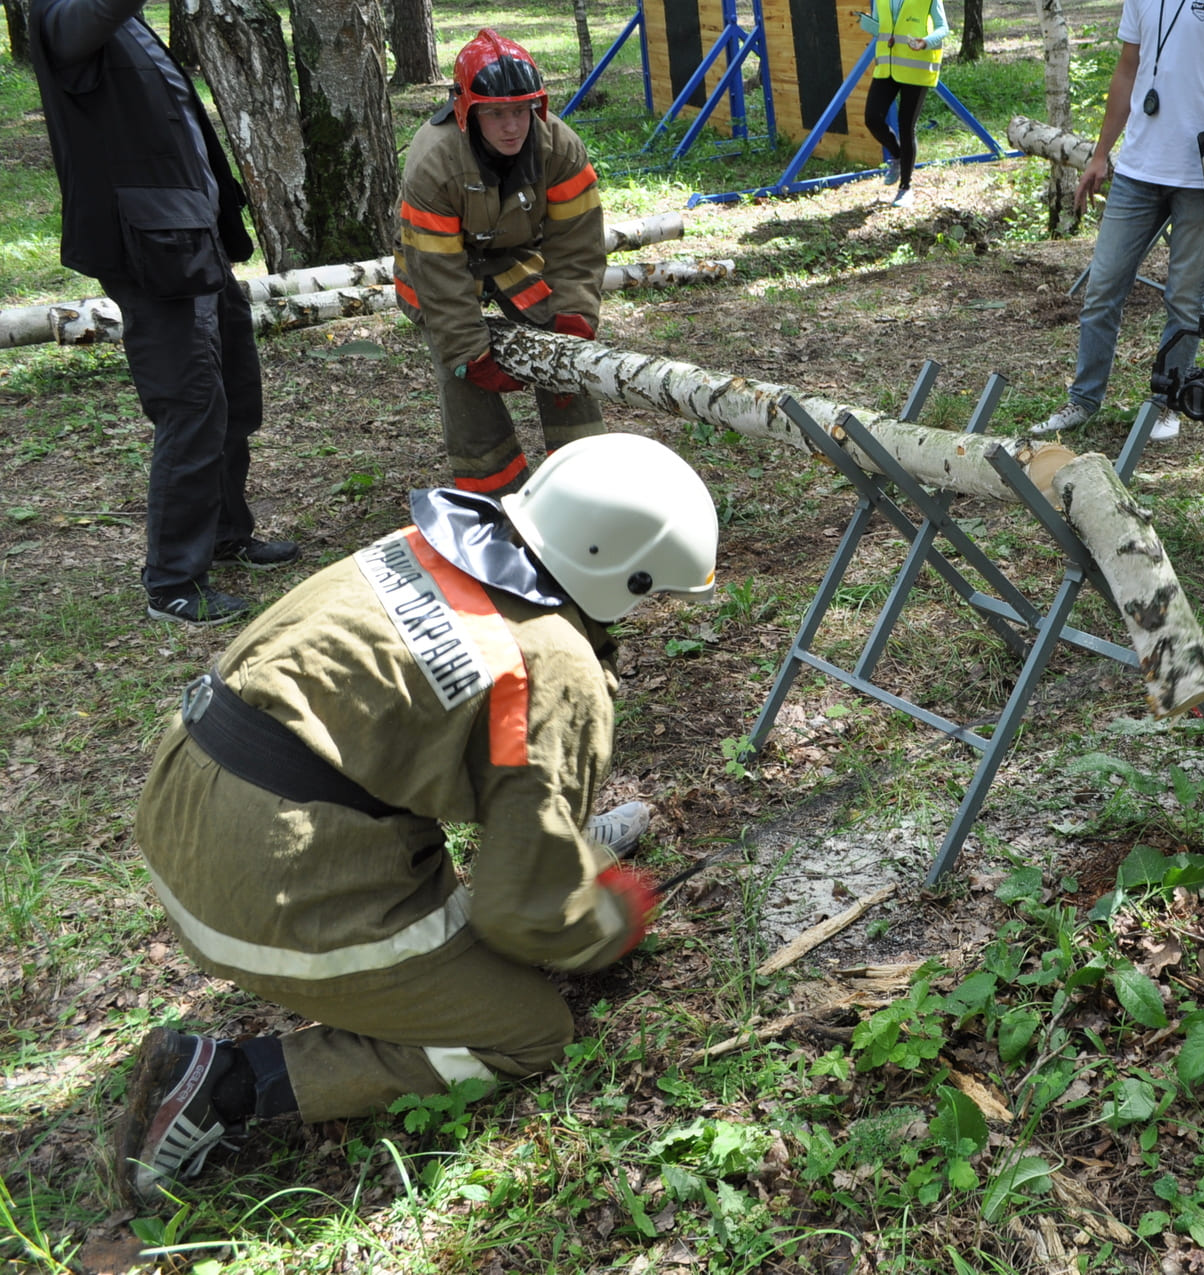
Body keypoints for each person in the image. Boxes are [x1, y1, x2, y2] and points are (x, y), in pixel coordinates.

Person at [119, 433, 718, 1201]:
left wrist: (558, 842)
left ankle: (548, 859)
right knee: (528, 1030)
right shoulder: (554, 662)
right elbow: (518, 914)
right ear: (624, 574)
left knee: (514, 869)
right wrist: (603, 920)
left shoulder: (428, 545)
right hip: (266, 889)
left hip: (184, 813)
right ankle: (227, 1086)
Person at [29, 0, 300, 627]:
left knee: (233, 391)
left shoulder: (127, 28)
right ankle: (174, 581)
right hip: (149, 251)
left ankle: (226, 534)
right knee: (191, 405)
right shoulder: (61, 21)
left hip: (190, 238)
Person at [1034, 0, 1204, 444]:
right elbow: (1128, 67)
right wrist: (1100, 154)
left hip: (1203, 177)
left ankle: (1165, 402)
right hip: (1137, 170)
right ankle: (1084, 399)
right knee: (1102, 290)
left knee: (1185, 302)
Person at [395, 29, 609, 497]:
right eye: (495, 114)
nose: (511, 127)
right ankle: (495, 498)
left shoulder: (560, 148)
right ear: (466, 111)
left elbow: (578, 246)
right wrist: (472, 356)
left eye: (520, 112)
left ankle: (586, 484)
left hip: (513, 258)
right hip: (437, 268)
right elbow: (439, 276)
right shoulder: (433, 164)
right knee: (462, 376)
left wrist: (574, 318)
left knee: (565, 349)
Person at [856, 0, 949, 208]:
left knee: (906, 126)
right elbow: (881, 26)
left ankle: (905, 188)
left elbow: (943, 28)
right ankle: (897, 155)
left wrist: (925, 41)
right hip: (887, 66)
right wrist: (869, 24)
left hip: (917, 67)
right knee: (872, 118)